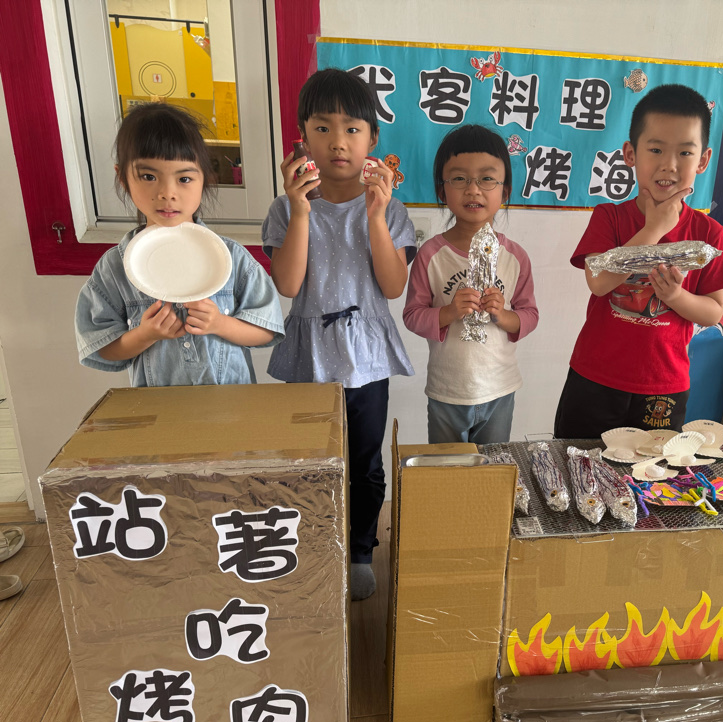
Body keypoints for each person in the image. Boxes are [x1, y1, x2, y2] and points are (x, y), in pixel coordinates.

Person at [262, 68, 416, 600]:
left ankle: (360, 552)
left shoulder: (391, 209)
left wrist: (375, 216)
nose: (338, 142)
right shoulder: (285, 208)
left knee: (365, 464)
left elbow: (393, 287)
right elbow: (288, 284)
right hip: (309, 356)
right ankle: (313, 549)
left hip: (366, 357)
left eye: (352, 129)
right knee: (309, 462)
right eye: (323, 128)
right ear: (303, 138)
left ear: (373, 138)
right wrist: (300, 210)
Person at [553, 84, 723, 439]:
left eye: (685, 152)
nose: (669, 165)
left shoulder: (710, 233)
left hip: (663, 385)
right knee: (577, 461)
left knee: (652, 469)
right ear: (631, 154)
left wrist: (675, 297)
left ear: (703, 160)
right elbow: (599, 283)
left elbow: (714, 312)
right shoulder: (609, 217)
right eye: (655, 149)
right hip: (595, 377)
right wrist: (654, 229)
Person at [75, 103, 284, 387]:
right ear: (123, 178)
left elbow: (267, 330)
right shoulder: (115, 267)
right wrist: (144, 335)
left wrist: (220, 324)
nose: (167, 193)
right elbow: (101, 348)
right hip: (158, 409)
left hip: (232, 405)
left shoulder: (230, 257)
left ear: (205, 178)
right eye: (149, 177)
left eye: (184, 178)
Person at [403, 125, 539, 444]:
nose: (473, 190)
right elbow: (412, 316)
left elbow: (530, 316)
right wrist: (449, 312)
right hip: (447, 391)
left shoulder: (515, 257)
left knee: (492, 466)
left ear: (505, 191)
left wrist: (503, 315)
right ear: (442, 191)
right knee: (447, 467)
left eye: (487, 178)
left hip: (500, 389)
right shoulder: (431, 255)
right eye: (459, 179)